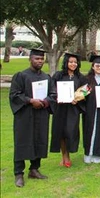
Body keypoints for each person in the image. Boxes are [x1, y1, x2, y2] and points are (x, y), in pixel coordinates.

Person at [10, 49, 56, 187]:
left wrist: (45, 101)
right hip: (25, 116)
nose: (40, 61)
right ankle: (19, 173)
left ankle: (34, 169)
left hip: (41, 114)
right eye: (36, 59)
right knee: (22, 141)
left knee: (39, 140)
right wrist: (30, 101)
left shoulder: (46, 77)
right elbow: (14, 95)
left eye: (41, 59)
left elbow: (53, 94)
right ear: (30, 59)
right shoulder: (21, 76)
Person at [50, 52, 88, 168]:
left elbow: (85, 91)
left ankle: (69, 152)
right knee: (61, 132)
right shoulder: (59, 76)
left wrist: (78, 99)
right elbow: (52, 90)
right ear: (66, 63)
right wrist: (60, 97)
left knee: (70, 131)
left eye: (75, 62)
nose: (73, 64)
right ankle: (65, 156)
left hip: (73, 109)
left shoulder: (80, 77)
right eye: (71, 62)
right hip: (61, 108)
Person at [83, 55, 100, 164]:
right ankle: (88, 154)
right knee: (88, 130)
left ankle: (98, 155)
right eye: (97, 65)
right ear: (93, 66)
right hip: (90, 109)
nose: (99, 67)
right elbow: (82, 94)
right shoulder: (87, 79)